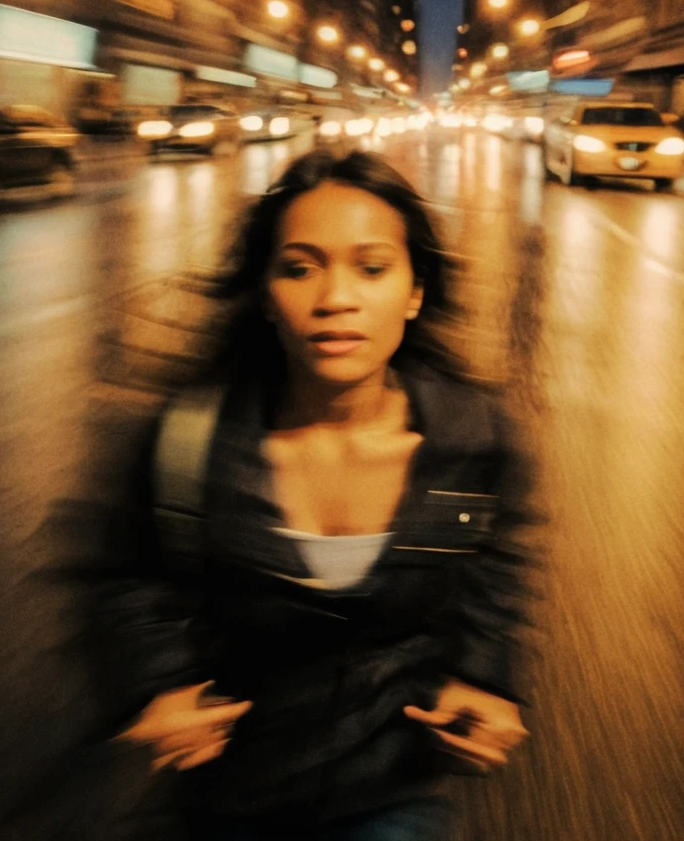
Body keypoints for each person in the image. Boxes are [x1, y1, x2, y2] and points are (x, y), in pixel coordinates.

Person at [87, 150, 540, 840]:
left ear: (415, 290)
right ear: (267, 295)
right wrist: (161, 686)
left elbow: (491, 574)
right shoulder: (188, 443)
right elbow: (125, 574)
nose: (335, 298)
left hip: (390, 794)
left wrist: (483, 680)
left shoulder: (472, 443)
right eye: (299, 268)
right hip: (228, 798)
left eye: (372, 267)